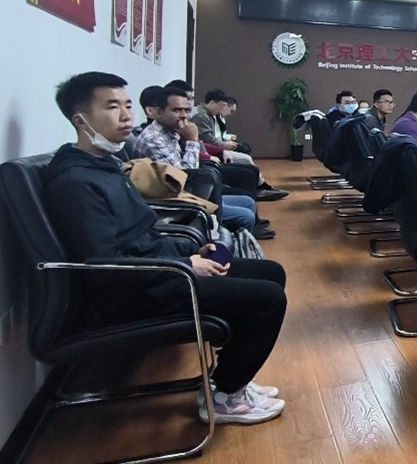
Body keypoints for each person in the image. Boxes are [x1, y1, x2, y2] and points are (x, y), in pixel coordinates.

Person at [43, 72, 287, 424]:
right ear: (81, 120)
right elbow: (105, 266)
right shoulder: (75, 182)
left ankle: (228, 376)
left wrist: (190, 254)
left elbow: (141, 234)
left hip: (161, 270)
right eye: (112, 107)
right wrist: (185, 266)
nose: (126, 116)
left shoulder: (104, 166)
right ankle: (225, 397)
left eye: (128, 105)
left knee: (270, 272)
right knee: (268, 299)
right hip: (137, 291)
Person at [132, 86, 273, 239]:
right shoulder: (154, 139)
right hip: (176, 199)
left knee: (248, 202)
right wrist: (192, 140)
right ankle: (233, 244)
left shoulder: (170, 131)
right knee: (246, 215)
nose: (184, 116)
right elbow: (185, 178)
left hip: (189, 190)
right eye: (177, 110)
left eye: (186, 110)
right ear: (158, 112)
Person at [179, 83, 287, 201]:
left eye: (191, 99)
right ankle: (258, 190)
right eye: (221, 106)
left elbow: (204, 141)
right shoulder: (201, 116)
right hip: (205, 161)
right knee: (246, 160)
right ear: (212, 103)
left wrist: (221, 149)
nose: (189, 105)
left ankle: (258, 189)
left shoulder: (209, 115)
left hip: (209, 153)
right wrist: (220, 149)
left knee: (248, 161)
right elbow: (206, 139)